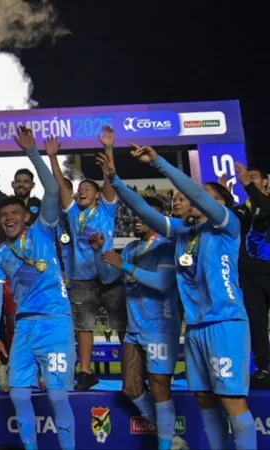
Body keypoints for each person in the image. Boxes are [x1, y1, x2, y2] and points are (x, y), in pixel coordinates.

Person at [108, 142, 255, 449]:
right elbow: (144, 211)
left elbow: (199, 194)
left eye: (209, 197)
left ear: (221, 204)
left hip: (225, 322)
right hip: (196, 327)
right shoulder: (183, 233)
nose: (196, 198)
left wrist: (158, 162)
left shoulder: (227, 226)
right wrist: (116, 181)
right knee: (203, 397)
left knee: (230, 400)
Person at [0, 128, 76, 450]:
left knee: (55, 393)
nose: (8, 218)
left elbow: (52, 190)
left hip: (54, 321)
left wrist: (33, 152)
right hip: (23, 326)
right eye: (3, 215)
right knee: (18, 393)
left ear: (27, 216)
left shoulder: (42, 230)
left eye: (14, 213)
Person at [88, 185, 184, 450]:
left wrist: (125, 266)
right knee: (130, 387)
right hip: (134, 328)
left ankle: (166, 445)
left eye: (146, 216)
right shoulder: (129, 248)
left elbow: (164, 282)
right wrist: (99, 253)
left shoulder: (166, 246)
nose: (139, 219)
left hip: (160, 327)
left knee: (159, 388)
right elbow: (108, 277)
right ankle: (171, 438)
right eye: (137, 216)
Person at [48, 124, 125, 390]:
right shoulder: (72, 215)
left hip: (110, 278)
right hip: (82, 280)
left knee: (122, 326)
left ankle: (132, 369)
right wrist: (52, 158)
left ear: (97, 195)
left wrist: (108, 148)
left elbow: (111, 179)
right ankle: (85, 372)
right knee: (84, 327)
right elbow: (60, 186)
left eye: (86, 189)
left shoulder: (106, 210)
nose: (80, 191)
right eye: (79, 189)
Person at [232, 163, 270, 387]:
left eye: (254, 177)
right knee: (256, 324)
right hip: (249, 276)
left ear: (266, 182)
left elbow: (265, 208)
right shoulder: (240, 210)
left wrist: (247, 184)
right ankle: (264, 368)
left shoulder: (266, 202)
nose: (249, 179)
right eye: (247, 177)